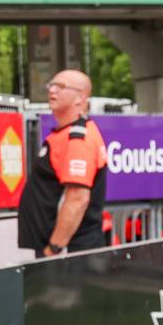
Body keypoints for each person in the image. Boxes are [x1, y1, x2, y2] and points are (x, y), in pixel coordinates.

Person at [18, 70, 108, 256]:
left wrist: (54, 248)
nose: (52, 90)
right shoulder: (65, 133)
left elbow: (77, 199)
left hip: (69, 254)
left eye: (61, 87)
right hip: (63, 251)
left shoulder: (78, 138)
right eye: (51, 85)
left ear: (80, 98)